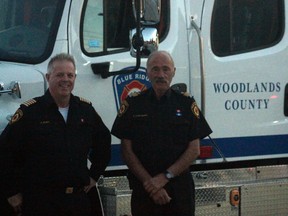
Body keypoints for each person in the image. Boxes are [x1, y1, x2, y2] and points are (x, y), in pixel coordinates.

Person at [0, 53, 111, 216]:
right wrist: (11, 192)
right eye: (59, 75)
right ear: (48, 77)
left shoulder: (85, 110)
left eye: (70, 75)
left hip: (77, 201)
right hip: (41, 202)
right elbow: (4, 152)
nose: (65, 79)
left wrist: (94, 176)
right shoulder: (30, 112)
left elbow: (104, 142)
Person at [111, 50, 212, 216]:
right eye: (155, 69)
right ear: (148, 73)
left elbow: (194, 150)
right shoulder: (133, 104)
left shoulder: (186, 104)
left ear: (173, 72)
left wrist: (164, 177)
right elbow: (126, 151)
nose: (161, 74)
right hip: (145, 190)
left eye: (166, 69)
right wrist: (151, 185)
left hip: (179, 191)